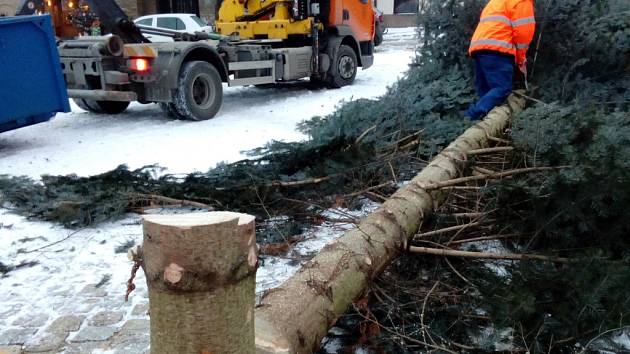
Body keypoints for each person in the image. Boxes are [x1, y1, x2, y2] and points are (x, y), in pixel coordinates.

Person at [465, 0, 536, 120]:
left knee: (486, 93)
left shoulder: (497, 1)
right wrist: (520, 59)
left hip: (479, 48)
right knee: (502, 88)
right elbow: (523, 35)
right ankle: (471, 117)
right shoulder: (522, 2)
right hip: (498, 49)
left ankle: (477, 123)